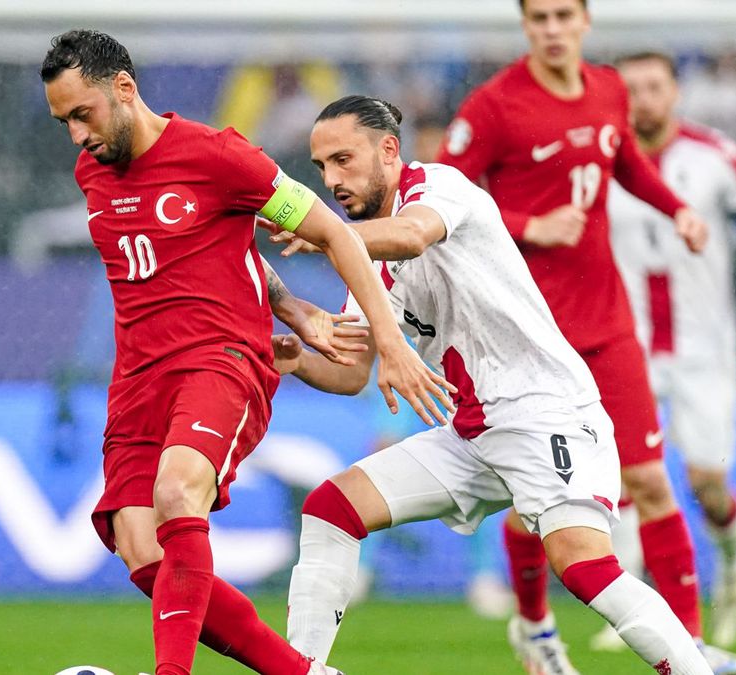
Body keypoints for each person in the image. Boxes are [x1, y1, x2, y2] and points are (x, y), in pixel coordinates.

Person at [40, 29, 455, 675]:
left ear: (123, 89)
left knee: (179, 492)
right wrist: (289, 303)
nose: (76, 134)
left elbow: (335, 235)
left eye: (82, 114)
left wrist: (389, 342)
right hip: (137, 379)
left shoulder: (221, 155)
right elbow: (210, 250)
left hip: (219, 360)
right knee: (142, 551)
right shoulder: (92, 172)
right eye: (64, 121)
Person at [270, 94, 714, 674]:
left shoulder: (439, 188)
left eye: (343, 160)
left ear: (388, 150)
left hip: (545, 411)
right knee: (333, 507)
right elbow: (352, 372)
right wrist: (297, 361)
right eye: (322, 167)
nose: (331, 180)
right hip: (473, 434)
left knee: (582, 567)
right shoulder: (364, 261)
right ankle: (302, 669)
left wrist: (327, 234)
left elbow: (409, 236)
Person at [435, 1, 736, 672]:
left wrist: (679, 208)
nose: (551, 29)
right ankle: (536, 629)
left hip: (607, 325)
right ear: (525, 25)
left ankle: (687, 647)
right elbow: (436, 194)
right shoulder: (495, 106)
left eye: (562, 15)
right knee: (535, 502)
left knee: (650, 482)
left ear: (584, 21)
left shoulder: (608, 88)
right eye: (538, 17)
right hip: (527, 337)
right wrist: (529, 224)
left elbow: (627, 162)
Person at [600, 51, 736, 650]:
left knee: (707, 481)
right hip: (627, 344)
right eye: (632, 88)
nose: (644, 99)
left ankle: (731, 568)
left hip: (705, 350)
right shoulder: (601, 163)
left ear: (676, 91)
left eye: (654, 86)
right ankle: (634, 601)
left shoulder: (717, 158)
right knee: (627, 473)